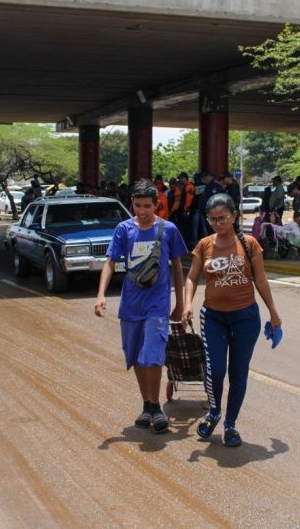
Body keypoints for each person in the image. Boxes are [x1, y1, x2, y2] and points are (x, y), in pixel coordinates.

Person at [183, 193, 282, 447]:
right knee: (215, 369)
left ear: (234, 216)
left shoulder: (249, 243)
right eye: (213, 219)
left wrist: (273, 313)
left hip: (245, 317)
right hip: (213, 316)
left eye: (223, 218)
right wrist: (187, 304)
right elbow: (192, 278)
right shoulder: (204, 245)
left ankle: (230, 425)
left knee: (238, 373)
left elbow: (260, 280)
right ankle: (214, 412)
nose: (218, 223)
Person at [94, 179, 187, 434]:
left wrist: (180, 302)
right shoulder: (124, 230)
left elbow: (177, 267)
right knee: (135, 355)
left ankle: (156, 407)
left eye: (147, 206)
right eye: (137, 205)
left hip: (157, 304)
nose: (142, 211)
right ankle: (147, 404)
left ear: (157, 204)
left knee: (152, 354)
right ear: (131, 204)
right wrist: (101, 294)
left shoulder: (168, 230)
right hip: (131, 305)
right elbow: (110, 262)